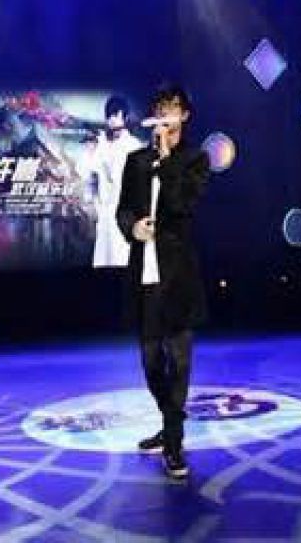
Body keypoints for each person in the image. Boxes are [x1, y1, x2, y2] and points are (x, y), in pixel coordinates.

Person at [116, 85, 210, 478]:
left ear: (184, 115)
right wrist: (133, 228)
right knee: (151, 361)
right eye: (160, 108)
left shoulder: (195, 160)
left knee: (180, 362)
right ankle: (171, 422)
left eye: (172, 108)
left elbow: (181, 203)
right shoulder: (136, 160)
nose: (165, 115)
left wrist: (168, 158)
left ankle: (173, 443)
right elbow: (122, 209)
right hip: (145, 275)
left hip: (179, 277)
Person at [91, 96, 143, 268]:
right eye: (109, 116)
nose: (112, 120)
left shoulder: (133, 146)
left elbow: (117, 176)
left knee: (122, 261)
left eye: (116, 115)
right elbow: (94, 176)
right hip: (105, 214)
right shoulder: (102, 145)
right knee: (102, 263)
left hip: (125, 215)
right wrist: (97, 205)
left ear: (124, 117)